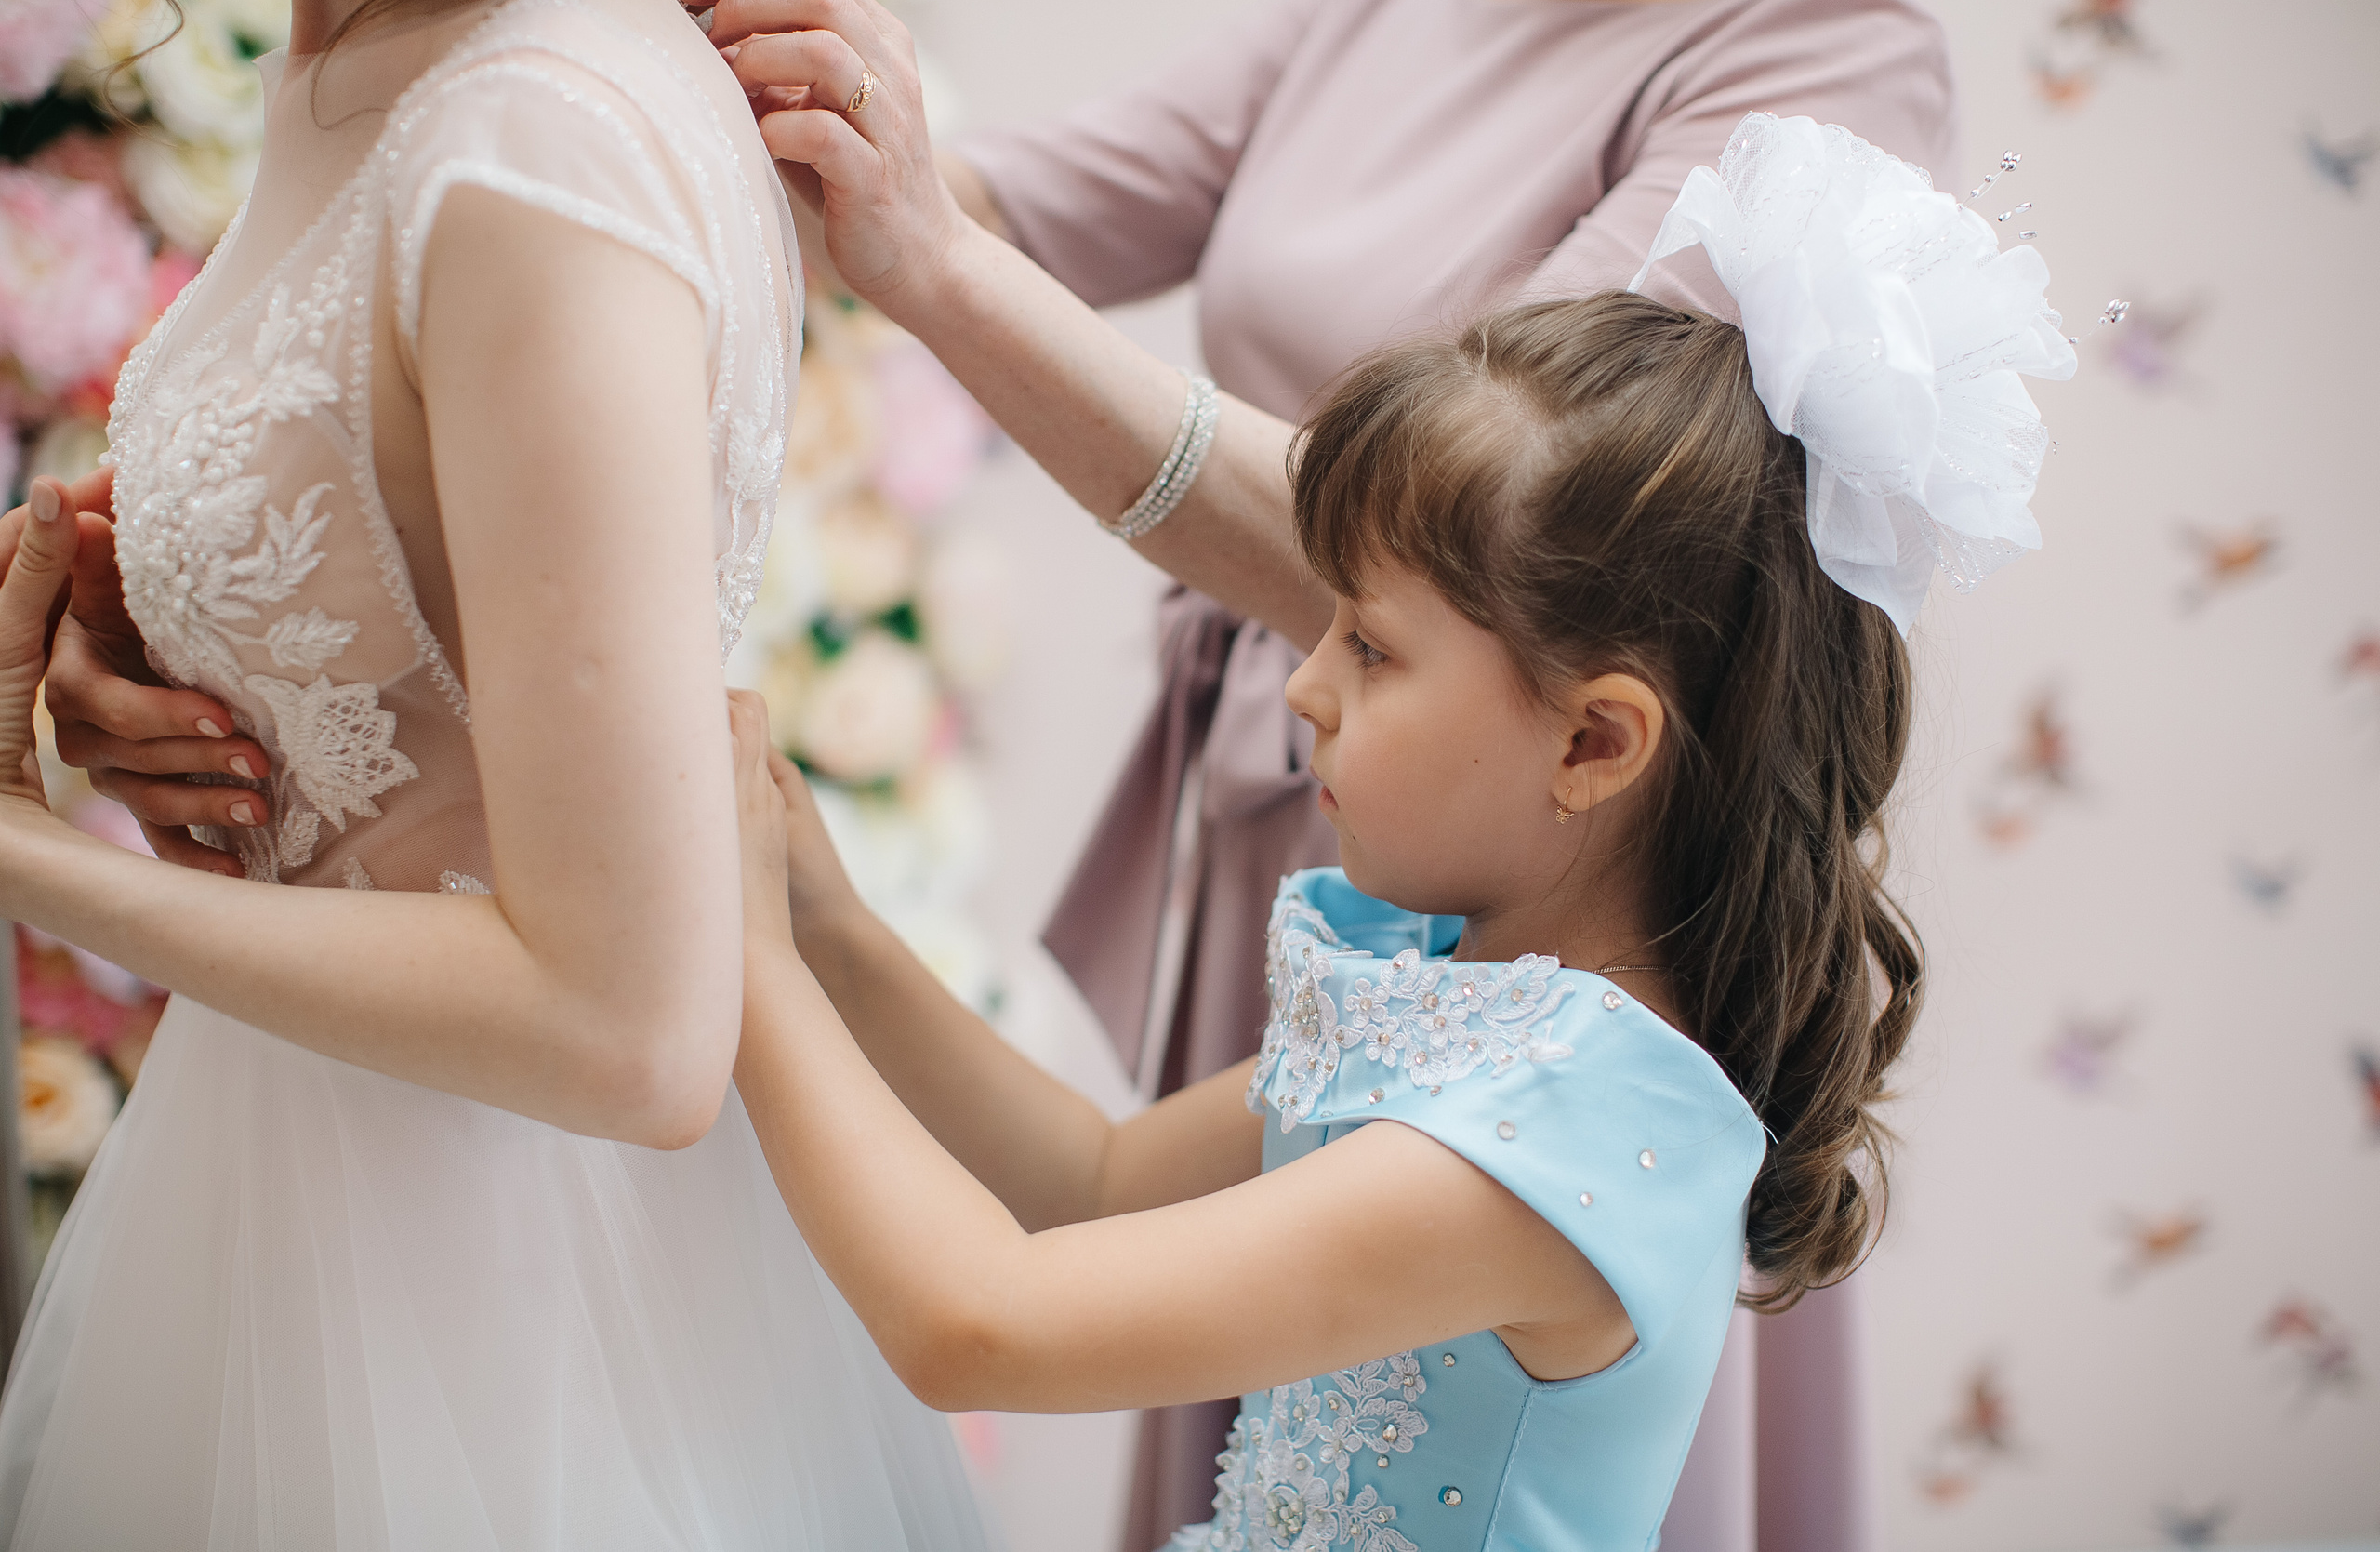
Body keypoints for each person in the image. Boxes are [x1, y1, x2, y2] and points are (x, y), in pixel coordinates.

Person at [716, 113, 2074, 1551]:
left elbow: (979, 1327)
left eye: (1367, 646)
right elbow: (1088, 1183)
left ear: (1591, 741)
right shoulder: (1459, 1007)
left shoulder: (1548, 1144)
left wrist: (746, 966)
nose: (1304, 683)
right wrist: (833, 934)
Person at [0, 0, 989, 1543]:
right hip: (296, 1182)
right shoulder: (378, 43)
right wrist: (172, 635)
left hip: (492, 1291)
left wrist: (35, 865)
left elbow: (631, 1031)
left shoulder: (529, 134)